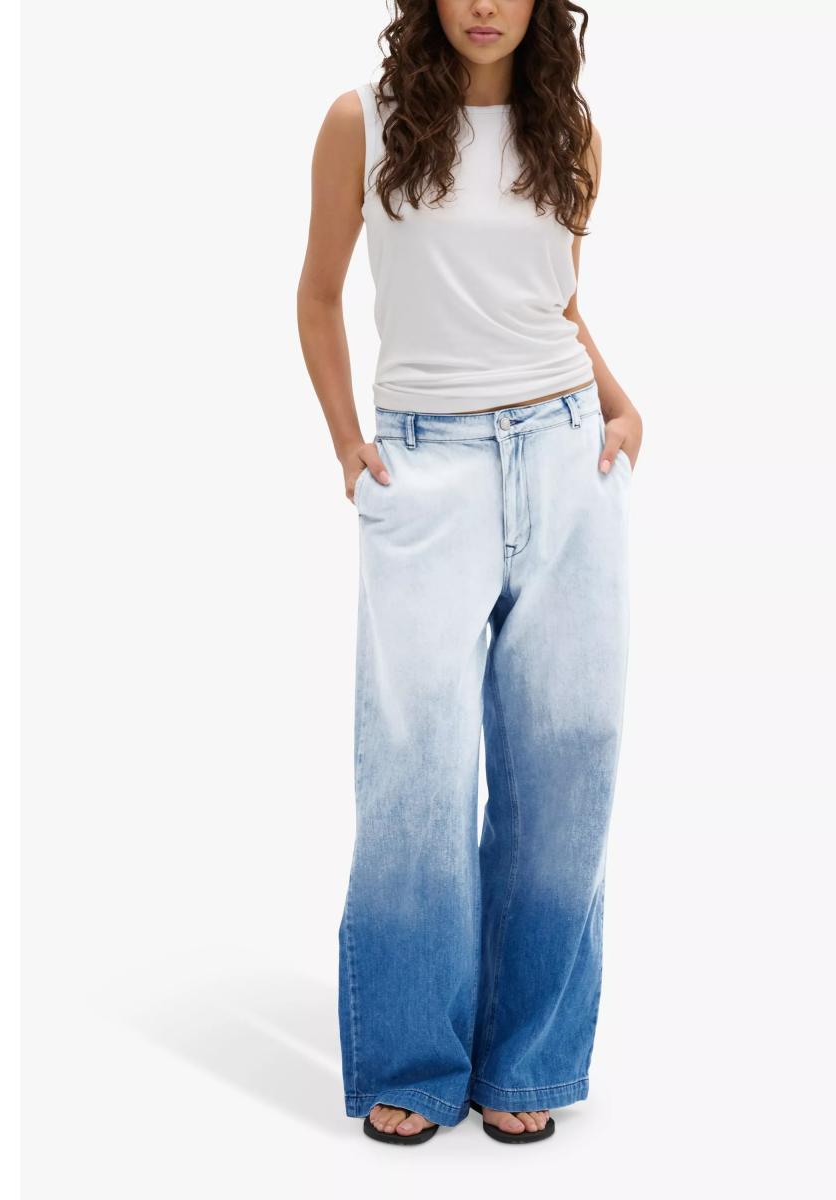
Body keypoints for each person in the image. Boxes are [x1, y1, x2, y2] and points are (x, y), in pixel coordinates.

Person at [296, 0, 641, 1146]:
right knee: (416, 773)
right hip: (427, 466)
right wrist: (348, 445)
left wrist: (621, 401)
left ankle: (528, 1058)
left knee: (569, 757)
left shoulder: (571, 131)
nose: (484, 4)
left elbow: (553, 300)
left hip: (565, 451)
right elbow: (317, 292)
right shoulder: (363, 122)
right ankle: (414, 1056)